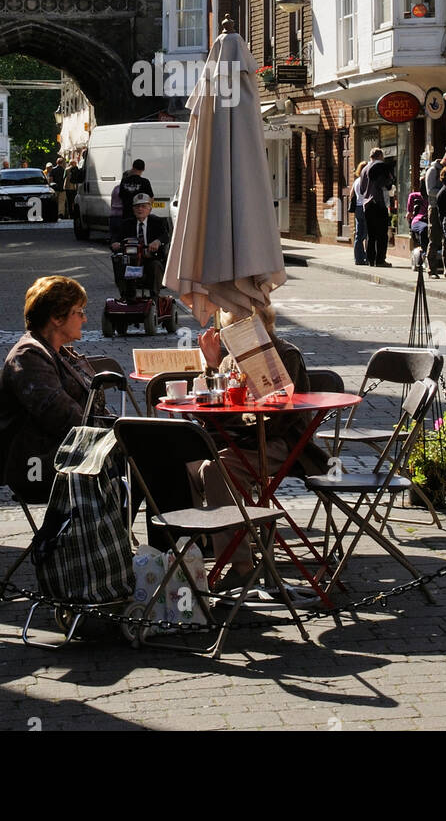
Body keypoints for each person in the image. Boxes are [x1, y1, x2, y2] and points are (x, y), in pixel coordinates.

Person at [193, 300, 328, 578]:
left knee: (217, 471)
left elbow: (285, 420)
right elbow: (216, 415)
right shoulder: (231, 360)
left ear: (264, 326)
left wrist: (247, 417)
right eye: (235, 333)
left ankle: (241, 565)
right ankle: (197, 548)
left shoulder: (286, 355)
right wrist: (212, 366)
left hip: (280, 443)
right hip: (239, 441)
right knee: (185, 463)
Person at [0, 275, 120, 500]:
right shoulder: (29, 356)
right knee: (144, 462)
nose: (85, 319)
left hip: (69, 452)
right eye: (79, 312)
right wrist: (114, 436)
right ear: (56, 318)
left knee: (154, 458)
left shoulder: (57, 352)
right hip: (39, 465)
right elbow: (63, 417)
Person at [110, 193, 172, 299]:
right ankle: (126, 296)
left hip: (150, 258)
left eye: (144, 206)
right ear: (133, 209)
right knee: (119, 263)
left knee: (155, 265)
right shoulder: (126, 224)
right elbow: (115, 238)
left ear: (150, 209)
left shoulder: (157, 222)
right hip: (131, 260)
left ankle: (154, 296)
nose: (140, 209)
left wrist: (158, 241)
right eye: (137, 206)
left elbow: (166, 236)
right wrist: (114, 244)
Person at [426, 149, 446, 277]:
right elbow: (430, 191)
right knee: (434, 239)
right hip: (435, 208)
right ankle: (431, 270)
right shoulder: (433, 170)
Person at [363, 148, 395, 267]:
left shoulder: (364, 169)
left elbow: (361, 189)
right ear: (380, 156)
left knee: (371, 235)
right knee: (382, 234)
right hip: (378, 203)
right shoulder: (380, 168)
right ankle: (380, 260)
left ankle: (371, 260)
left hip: (367, 204)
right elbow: (386, 184)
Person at [350, 161, 368, 265]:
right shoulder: (366, 181)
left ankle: (358, 258)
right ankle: (366, 257)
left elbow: (351, 194)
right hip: (365, 207)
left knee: (358, 234)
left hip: (358, 208)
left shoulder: (356, 181)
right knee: (366, 235)